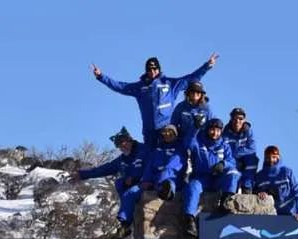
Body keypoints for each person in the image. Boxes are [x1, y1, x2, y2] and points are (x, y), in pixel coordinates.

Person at [91, 53, 219, 146]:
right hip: (149, 130)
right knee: (151, 159)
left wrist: (207, 66)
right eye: (149, 69)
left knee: (168, 156)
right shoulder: (139, 87)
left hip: (167, 130)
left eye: (155, 69)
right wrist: (101, 77)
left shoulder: (169, 84)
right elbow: (120, 86)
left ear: (159, 69)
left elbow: (191, 79)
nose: (152, 71)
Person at [75, 127, 151, 239]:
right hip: (133, 187)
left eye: (123, 143)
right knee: (119, 183)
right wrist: (82, 174)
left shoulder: (144, 150)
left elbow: (152, 166)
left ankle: (125, 225)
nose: (122, 147)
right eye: (118, 145)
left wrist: (137, 179)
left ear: (129, 140)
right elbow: (103, 169)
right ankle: (127, 219)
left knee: (129, 193)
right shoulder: (122, 159)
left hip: (146, 183)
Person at [182, 118, 241, 237]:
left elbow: (231, 161)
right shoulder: (198, 142)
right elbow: (188, 142)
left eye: (218, 130)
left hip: (218, 179)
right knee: (192, 187)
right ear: (208, 130)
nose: (215, 133)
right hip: (201, 178)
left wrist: (223, 164)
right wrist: (195, 127)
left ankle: (225, 201)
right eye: (212, 130)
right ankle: (189, 220)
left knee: (234, 173)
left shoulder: (224, 145)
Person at [253, 145, 298, 219]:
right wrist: (259, 194)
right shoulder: (259, 176)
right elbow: (253, 193)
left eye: (274, 157)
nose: (271, 160)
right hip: (270, 217)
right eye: (268, 157)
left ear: (278, 157)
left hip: (290, 216)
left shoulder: (287, 172)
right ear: (265, 158)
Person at [139, 124, 187, 202]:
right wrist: (145, 180)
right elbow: (149, 166)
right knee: (133, 191)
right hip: (155, 178)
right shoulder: (157, 149)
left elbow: (173, 166)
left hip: (173, 178)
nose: (167, 135)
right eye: (164, 132)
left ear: (175, 134)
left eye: (170, 132)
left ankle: (167, 191)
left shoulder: (180, 147)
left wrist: (160, 180)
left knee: (168, 180)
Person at [223, 108, 258, 193]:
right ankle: (230, 193)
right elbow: (223, 150)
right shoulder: (225, 133)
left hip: (245, 160)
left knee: (253, 160)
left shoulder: (248, 132)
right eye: (235, 118)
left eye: (240, 119)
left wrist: (236, 154)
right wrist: (234, 158)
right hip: (231, 161)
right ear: (231, 119)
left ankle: (247, 187)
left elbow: (252, 149)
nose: (237, 121)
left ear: (244, 120)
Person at [171, 81, 214, 150]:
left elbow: (211, 126)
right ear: (188, 93)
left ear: (201, 94)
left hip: (200, 142)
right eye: (192, 91)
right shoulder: (181, 106)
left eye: (198, 92)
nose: (195, 94)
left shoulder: (206, 108)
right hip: (183, 140)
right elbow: (173, 124)